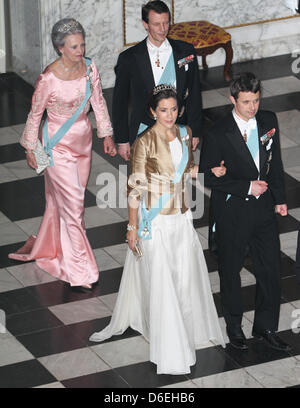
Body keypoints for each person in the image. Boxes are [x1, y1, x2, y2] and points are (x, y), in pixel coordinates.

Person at [89, 85, 225, 375]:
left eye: (174, 109)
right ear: (153, 111)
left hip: (183, 217)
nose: (169, 115)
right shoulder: (144, 142)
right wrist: (132, 227)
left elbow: (186, 169)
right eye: (163, 110)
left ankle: (187, 329)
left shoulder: (186, 133)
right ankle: (170, 344)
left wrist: (207, 171)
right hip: (158, 220)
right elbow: (135, 187)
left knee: (184, 279)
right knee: (163, 282)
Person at [8, 18, 117, 292]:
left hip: (83, 141)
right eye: (73, 46)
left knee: (62, 201)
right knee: (75, 206)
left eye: (82, 45)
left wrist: (107, 134)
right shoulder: (48, 78)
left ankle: (48, 247)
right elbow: (35, 115)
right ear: (59, 48)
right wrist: (32, 148)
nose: (80, 51)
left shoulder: (89, 67)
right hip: (56, 145)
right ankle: (81, 271)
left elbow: (98, 101)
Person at [200, 72, 291, 352]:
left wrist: (279, 197)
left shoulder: (268, 121)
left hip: (264, 210)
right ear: (232, 99)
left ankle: (265, 327)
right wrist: (246, 187)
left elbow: (274, 163)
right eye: (246, 102)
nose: (252, 108)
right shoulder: (217, 133)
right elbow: (208, 177)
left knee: (270, 270)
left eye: (256, 100)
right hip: (232, 212)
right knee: (230, 272)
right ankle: (235, 329)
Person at [113, 0, 202, 161]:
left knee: (177, 181)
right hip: (144, 132)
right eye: (156, 24)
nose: (163, 29)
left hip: (177, 129)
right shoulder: (129, 59)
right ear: (145, 24)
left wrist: (195, 131)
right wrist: (122, 140)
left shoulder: (185, 52)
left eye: (166, 23)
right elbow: (119, 102)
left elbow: (195, 94)